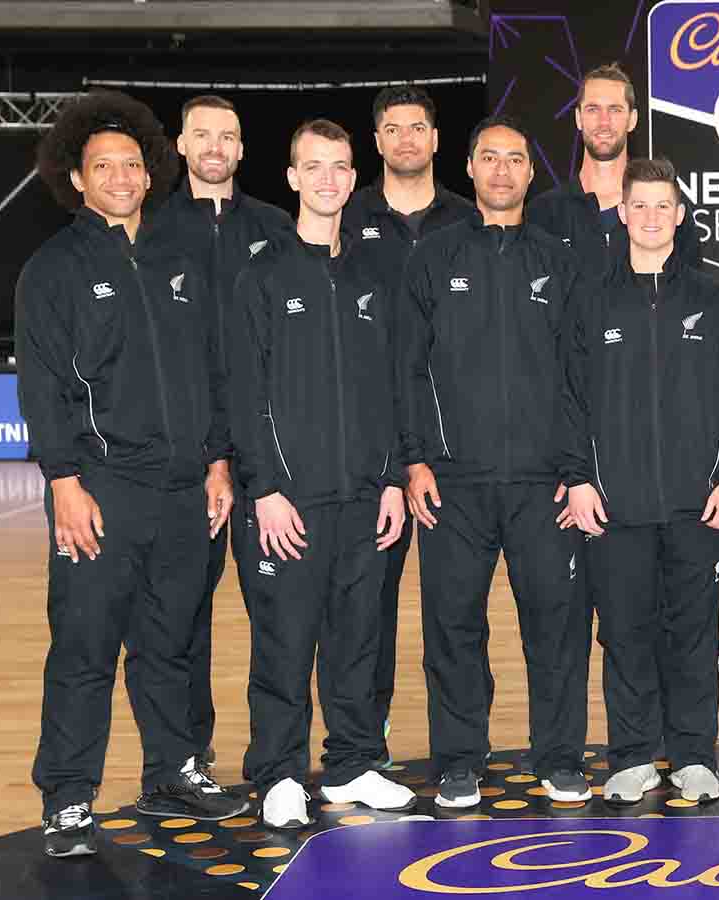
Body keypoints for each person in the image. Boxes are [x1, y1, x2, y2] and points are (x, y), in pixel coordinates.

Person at [18, 90, 247, 858]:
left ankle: (173, 769)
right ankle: (69, 795)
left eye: (130, 164)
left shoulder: (181, 261)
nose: (119, 176)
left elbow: (212, 371)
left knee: (172, 642)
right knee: (84, 646)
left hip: (185, 489)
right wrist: (64, 482)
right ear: (76, 181)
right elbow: (42, 385)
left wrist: (217, 460)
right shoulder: (52, 270)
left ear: (151, 174)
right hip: (102, 488)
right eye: (101, 166)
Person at [227, 118, 417, 829]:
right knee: (284, 640)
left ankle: (352, 765)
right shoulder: (263, 277)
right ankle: (278, 771)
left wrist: (394, 478)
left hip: (364, 500)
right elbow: (245, 397)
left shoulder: (373, 279)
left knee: (358, 641)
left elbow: (393, 389)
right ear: (292, 178)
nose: (330, 179)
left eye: (340, 166)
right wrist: (267, 488)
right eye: (316, 167)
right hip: (290, 502)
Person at [400, 115, 590, 809]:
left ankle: (561, 757)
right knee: (453, 625)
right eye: (490, 158)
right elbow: (409, 370)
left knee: (557, 627)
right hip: (453, 482)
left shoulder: (560, 262)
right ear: (471, 170)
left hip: (545, 484)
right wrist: (416, 461)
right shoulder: (432, 258)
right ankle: (458, 761)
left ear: (531, 174)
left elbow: (581, 376)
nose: (504, 170)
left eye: (516, 158)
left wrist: (578, 469)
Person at [559, 157, 719, 804]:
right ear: (623, 214)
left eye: (663, 206)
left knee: (694, 633)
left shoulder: (716, 302)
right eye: (640, 205)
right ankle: (633, 756)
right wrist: (579, 480)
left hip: (699, 505)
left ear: (680, 216)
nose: (651, 217)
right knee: (626, 633)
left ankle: (694, 755)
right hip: (617, 505)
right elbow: (571, 400)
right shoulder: (591, 303)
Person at [340, 84, 476, 767]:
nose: (406, 139)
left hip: (453, 445)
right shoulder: (346, 214)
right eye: (392, 128)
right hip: (370, 440)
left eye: (417, 127)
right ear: (378, 140)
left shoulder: (469, 217)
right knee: (369, 607)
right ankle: (371, 741)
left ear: (436, 138)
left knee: (454, 610)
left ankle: (459, 748)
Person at [160, 93, 294, 767]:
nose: (215, 146)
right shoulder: (150, 232)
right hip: (186, 463)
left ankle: (274, 761)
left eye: (228, 136)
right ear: (180, 146)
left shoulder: (277, 229)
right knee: (183, 617)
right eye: (202, 134)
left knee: (279, 617)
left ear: (242, 150)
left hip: (268, 458)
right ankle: (188, 758)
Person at [527, 62, 700, 272]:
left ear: (632, 119)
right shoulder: (543, 214)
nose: (604, 122)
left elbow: (690, 296)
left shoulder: (665, 212)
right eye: (593, 109)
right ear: (578, 118)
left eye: (615, 110)